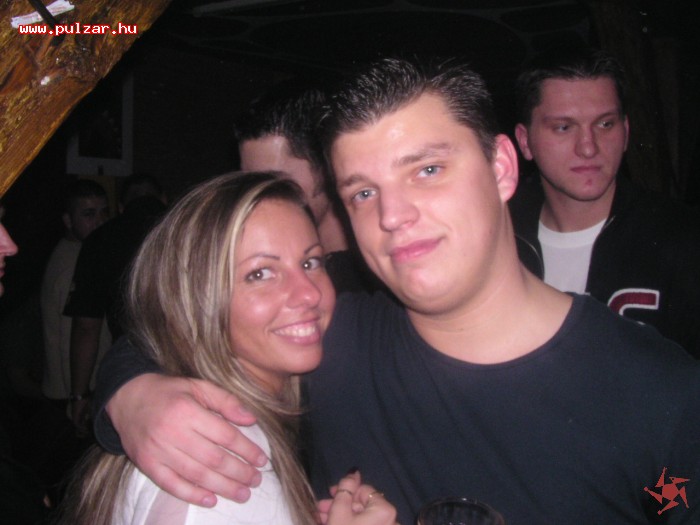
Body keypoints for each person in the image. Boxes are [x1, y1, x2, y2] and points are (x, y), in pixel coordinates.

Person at [94, 57, 700, 524]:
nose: (392, 215)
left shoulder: (660, 396)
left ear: (501, 168)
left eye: (427, 170)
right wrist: (132, 396)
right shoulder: (332, 339)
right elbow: (190, 325)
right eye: (363, 192)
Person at [57, 172, 396, 525]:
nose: (309, 294)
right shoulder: (221, 469)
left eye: (311, 263)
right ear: (196, 300)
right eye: (260, 274)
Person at [511, 47, 700, 357]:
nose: (588, 148)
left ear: (626, 131)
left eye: (605, 124)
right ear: (524, 141)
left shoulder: (683, 241)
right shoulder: (495, 240)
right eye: (563, 127)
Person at [235, 81, 379, 294]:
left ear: (326, 168)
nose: (259, 195)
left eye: (276, 182)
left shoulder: (372, 277)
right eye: (250, 182)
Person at [63, 174, 167, 434]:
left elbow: (86, 327)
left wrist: (79, 395)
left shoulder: (101, 240)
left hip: (136, 370)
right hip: (202, 366)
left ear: (121, 207)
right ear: (164, 199)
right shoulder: (197, 228)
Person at [41, 179, 111, 405]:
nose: (100, 221)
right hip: (74, 392)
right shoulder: (73, 263)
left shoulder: (80, 251)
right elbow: (72, 335)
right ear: (68, 220)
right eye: (89, 214)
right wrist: (78, 396)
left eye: (104, 212)